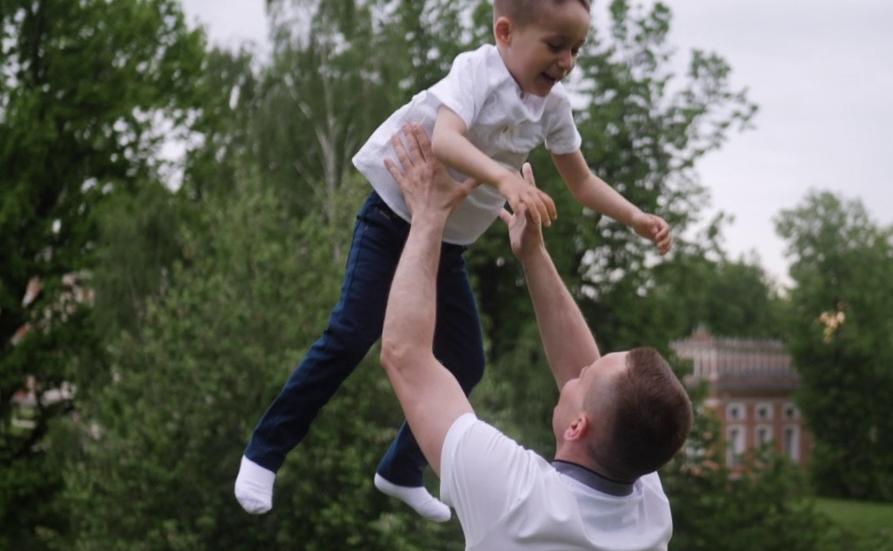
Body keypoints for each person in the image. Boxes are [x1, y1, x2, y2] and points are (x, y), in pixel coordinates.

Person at [233, 0, 672, 521]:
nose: (567, 62)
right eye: (555, 47)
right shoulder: (476, 71)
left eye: (576, 49)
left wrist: (634, 217)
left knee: (466, 361)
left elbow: (581, 181)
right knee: (351, 334)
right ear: (505, 33)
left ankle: (400, 469)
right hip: (395, 218)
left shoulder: (554, 107)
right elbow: (445, 138)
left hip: (449, 247)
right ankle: (264, 452)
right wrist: (505, 177)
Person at [380, 123, 693, 551]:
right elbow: (594, 388)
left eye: (583, 380)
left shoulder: (515, 499)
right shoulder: (648, 510)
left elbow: (406, 356)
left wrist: (426, 218)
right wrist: (534, 256)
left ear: (577, 427)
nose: (574, 372)